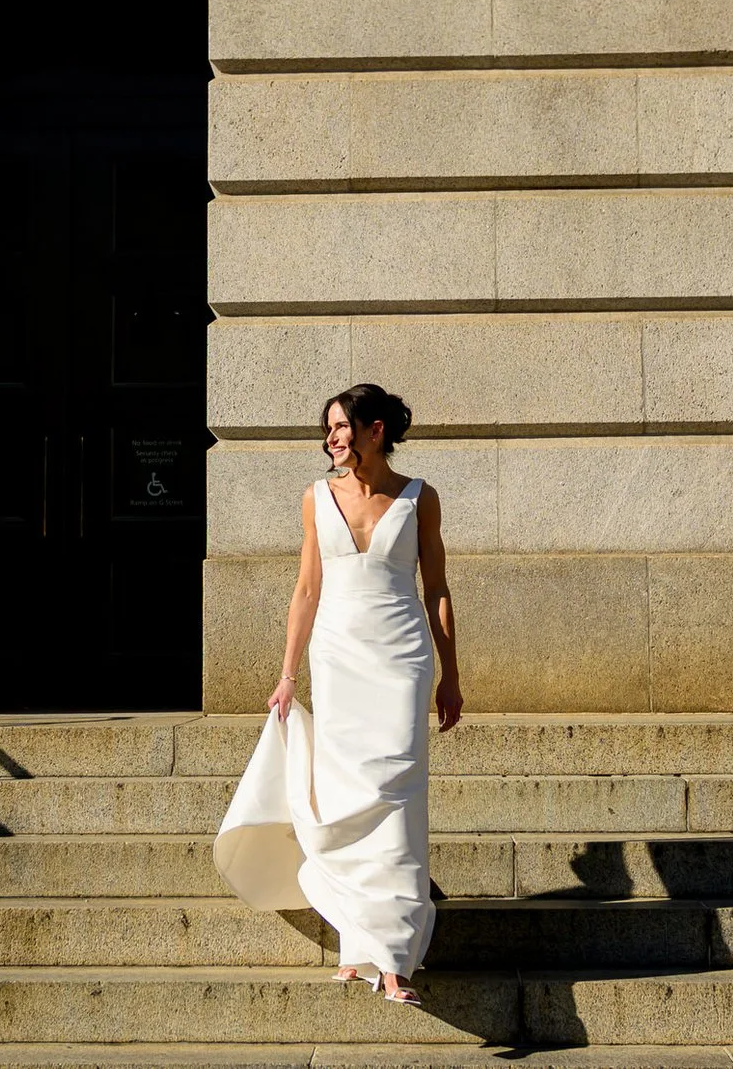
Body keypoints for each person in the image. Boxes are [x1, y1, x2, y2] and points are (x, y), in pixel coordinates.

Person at [212, 382, 463, 1007]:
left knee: (397, 794)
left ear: (376, 430)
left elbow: (436, 588)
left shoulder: (420, 497)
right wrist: (287, 673)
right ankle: (360, 940)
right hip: (338, 658)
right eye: (328, 428)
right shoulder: (315, 499)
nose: (332, 438)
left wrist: (449, 673)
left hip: (401, 658)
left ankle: (397, 957)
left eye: (343, 427)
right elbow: (305, 590)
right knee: (346, 794)